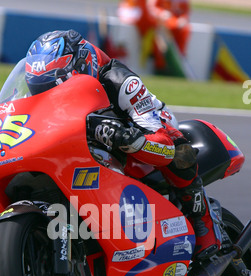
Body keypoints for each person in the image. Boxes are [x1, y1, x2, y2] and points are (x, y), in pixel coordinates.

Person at [25, 29, 220, 260]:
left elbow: (164, 145)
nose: (50, 95)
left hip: (144, 130)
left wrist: (125, 138)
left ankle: (202, 221)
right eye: (41, 90)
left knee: (179, 152)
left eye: (56, 87)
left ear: (81, 67)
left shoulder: (122, 82)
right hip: (87, 139)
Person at [118, 0, 191, 73]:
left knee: (184, 30)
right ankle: (161, 67)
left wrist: (182, 19)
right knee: (159, 38)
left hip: (171, 25)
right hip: (157, 25)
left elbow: (185, 11)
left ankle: (177, 64)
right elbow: (152, 9)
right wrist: (162, 14)